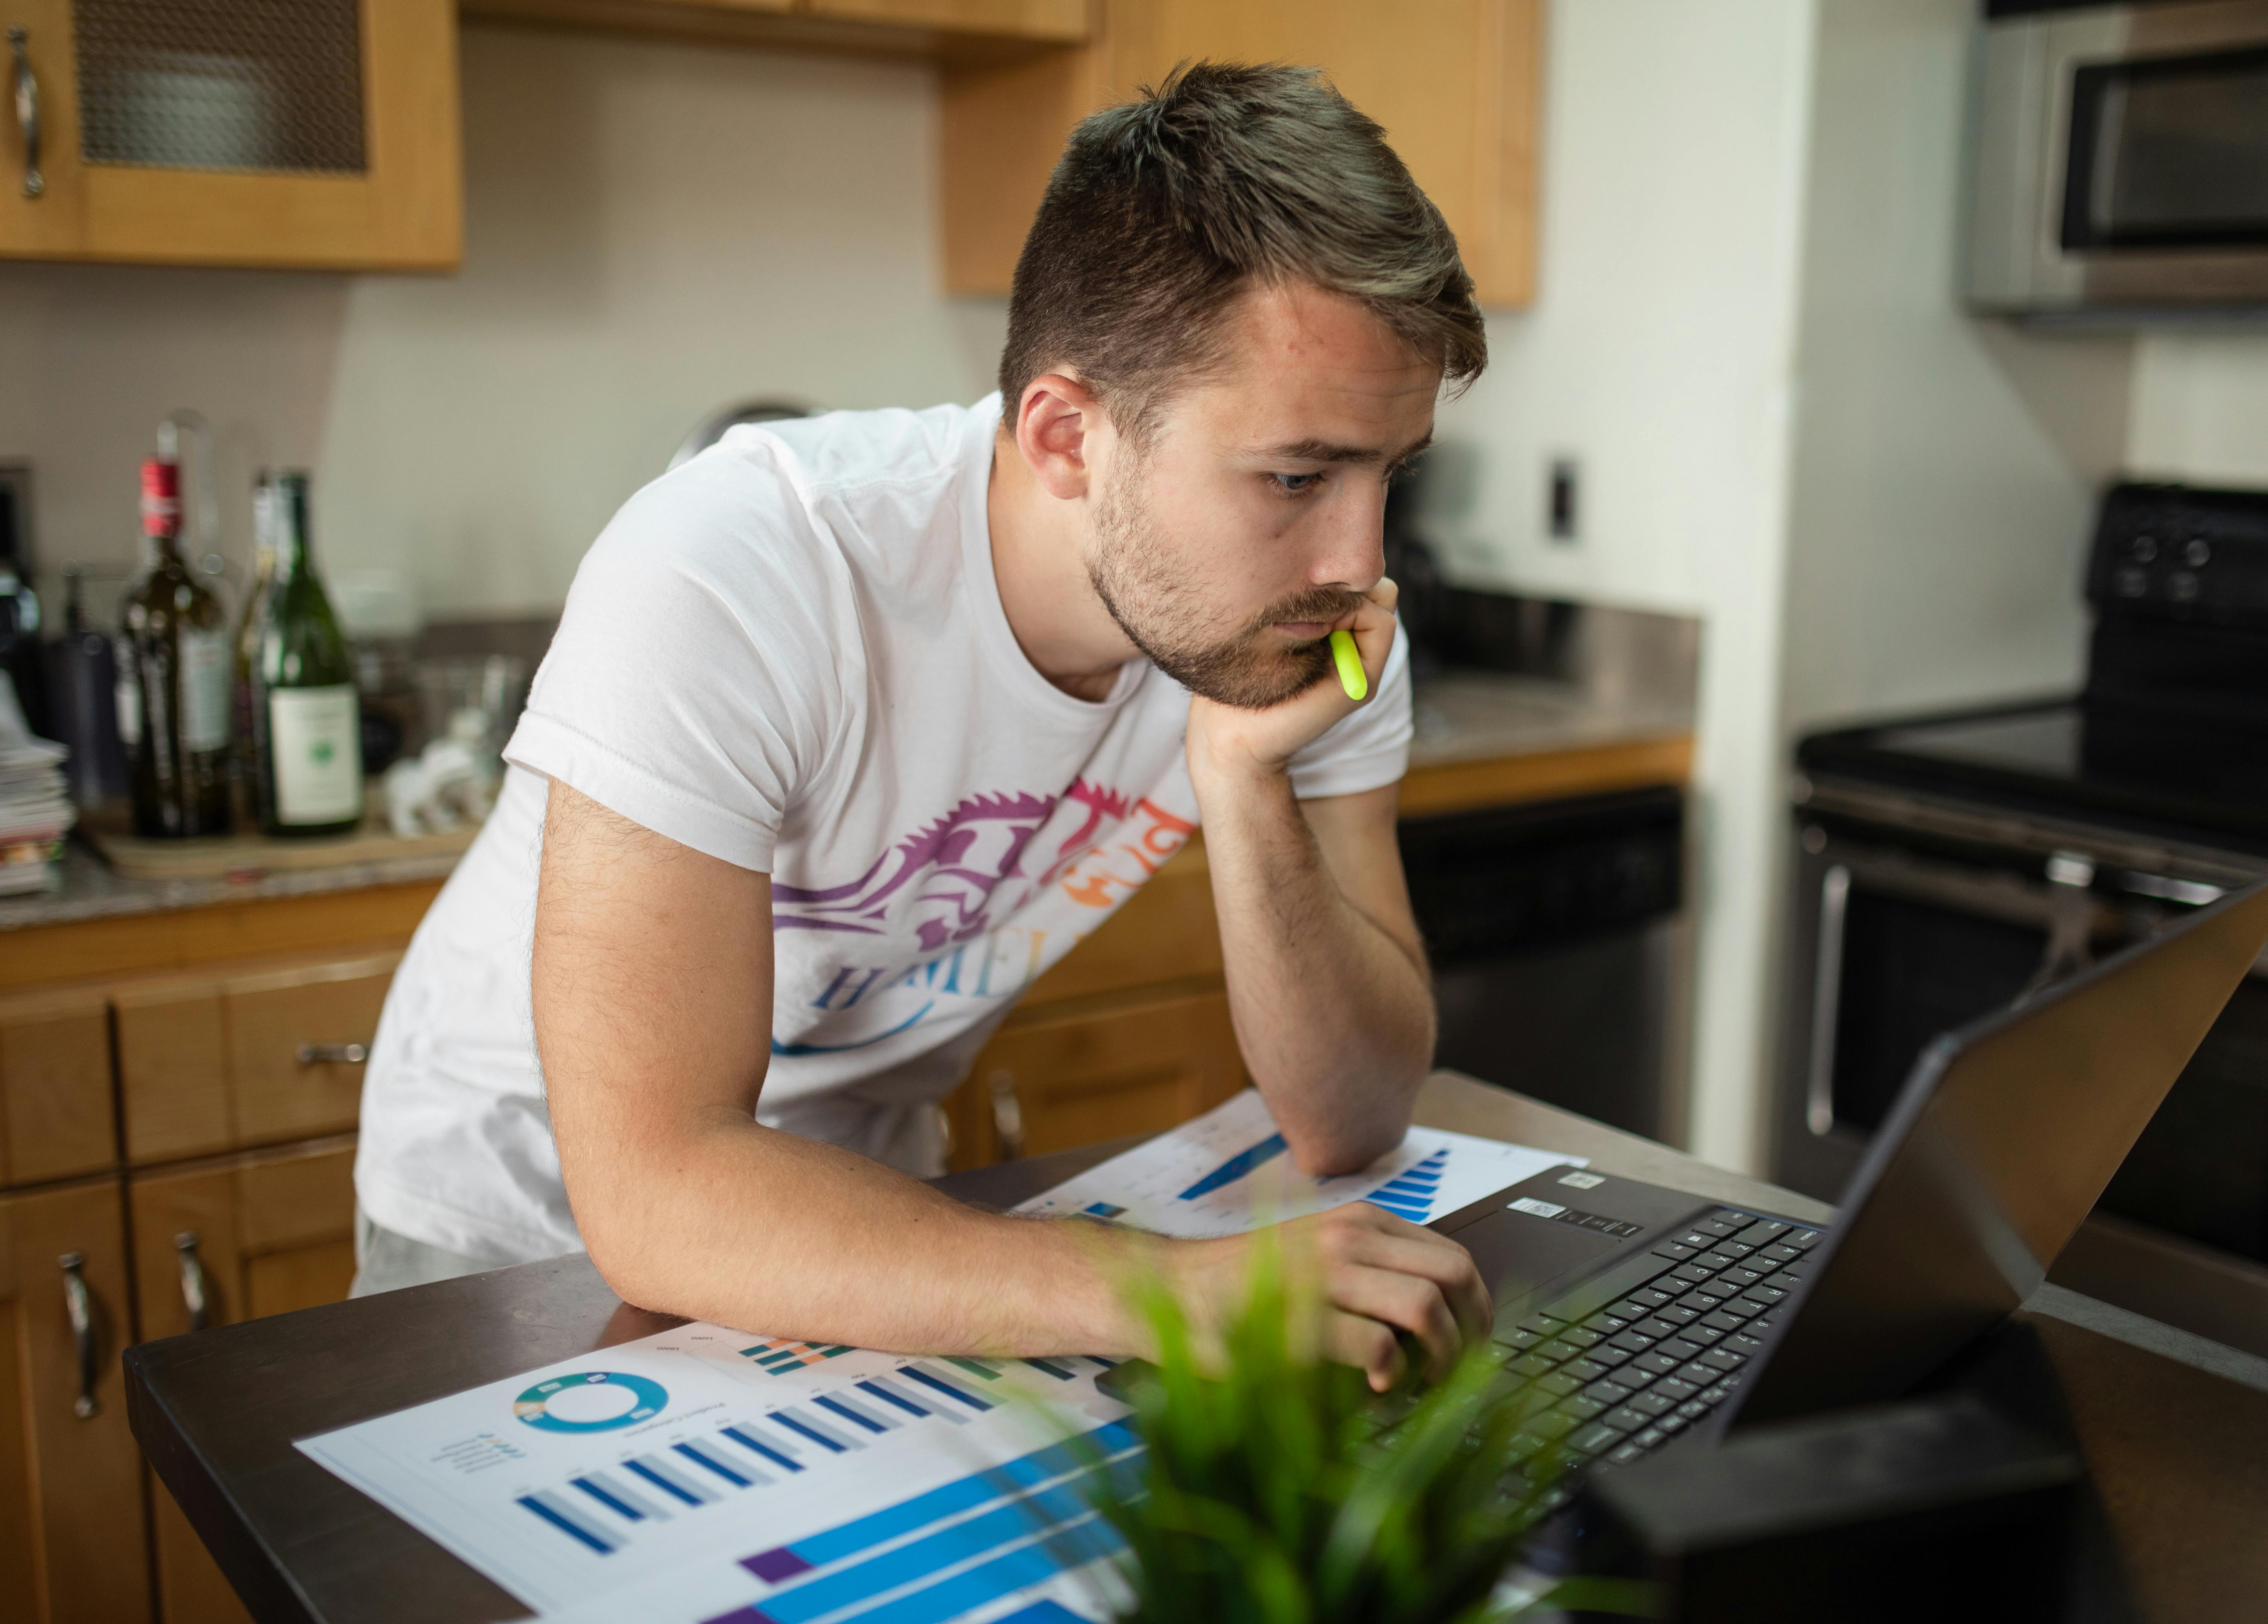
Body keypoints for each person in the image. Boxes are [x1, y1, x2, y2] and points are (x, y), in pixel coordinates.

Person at [352, 62, 1494, 1388]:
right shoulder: (737, 567)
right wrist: (1180, 1296)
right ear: (1068, 437)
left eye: (1386, 474)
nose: (1358, 552)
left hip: (873, 1223)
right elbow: (658, 1192)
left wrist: (1241, 781)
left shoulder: (1292, 624)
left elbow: (1349, 1117)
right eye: (1295, 476)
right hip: (517, 1222)